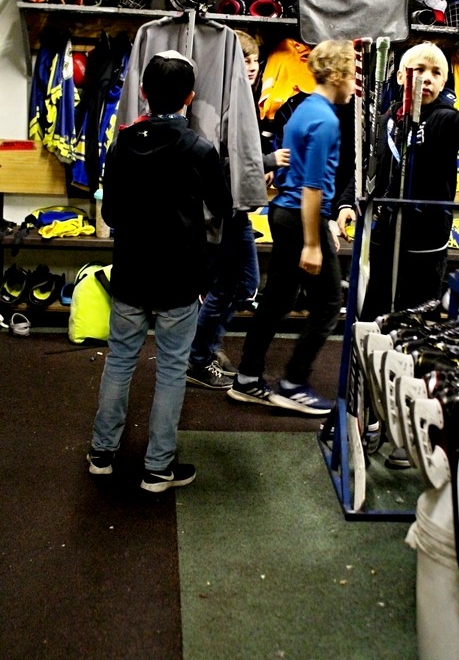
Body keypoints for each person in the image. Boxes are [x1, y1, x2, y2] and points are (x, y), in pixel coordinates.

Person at [336, 40, 459, 464]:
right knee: (371, 328)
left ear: (444, 82)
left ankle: (412, 433)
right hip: (384, 243)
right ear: (398, 76)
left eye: (434, 72)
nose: (424, 78)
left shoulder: (439, 118)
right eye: (415, 70)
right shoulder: (388, 119)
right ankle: (365, 415)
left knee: (418, 340)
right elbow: (369, 168)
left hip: (423, 251)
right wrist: (348, 203)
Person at [86, 50, 232, 492]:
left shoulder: (122, 145)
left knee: (120, 360)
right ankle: (157, 468)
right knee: (170, 369)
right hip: (179, 278)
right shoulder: (200, 149)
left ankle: (101, 454)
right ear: (190, 97)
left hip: (131, 271)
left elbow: (110, 213)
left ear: (143, 92)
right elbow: (222, 207)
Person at [228, 38, 356, 415]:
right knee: (329, 304)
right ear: (337, 75)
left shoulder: (304, 108)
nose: (355, 84)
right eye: (352, 76)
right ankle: (294, 383)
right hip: (301, 216)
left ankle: (247, 377)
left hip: (284, 213)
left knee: (278, 299)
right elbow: (312, 186)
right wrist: (314, 242)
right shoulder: (325, 120)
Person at [186, 30, 290, 390]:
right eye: (245, 59)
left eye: (255, 59)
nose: (252, 66)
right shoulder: (224, 99)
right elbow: (222, 159)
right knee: (225, 286)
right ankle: (199, 358)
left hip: (239, 208)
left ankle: (207, 347)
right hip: (223, 209)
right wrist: (267, 160)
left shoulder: (247, 96)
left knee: (245, 284)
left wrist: (258, 168)